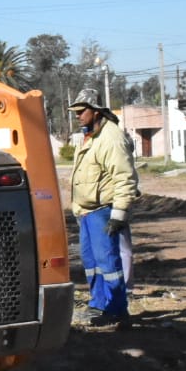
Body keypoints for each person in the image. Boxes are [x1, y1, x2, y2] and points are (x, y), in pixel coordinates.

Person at [67, 88, 141, 328]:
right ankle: (98, 304)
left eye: (81, 111)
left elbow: (125, 178)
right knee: (92, 262)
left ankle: (117, 309)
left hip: (103, 211)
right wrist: (78, 210)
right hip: (88, 213)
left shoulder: (111, 138)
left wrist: (118, 215)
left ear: (96, 111)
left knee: (108, 263)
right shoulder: (90, 136)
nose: (77, 116)